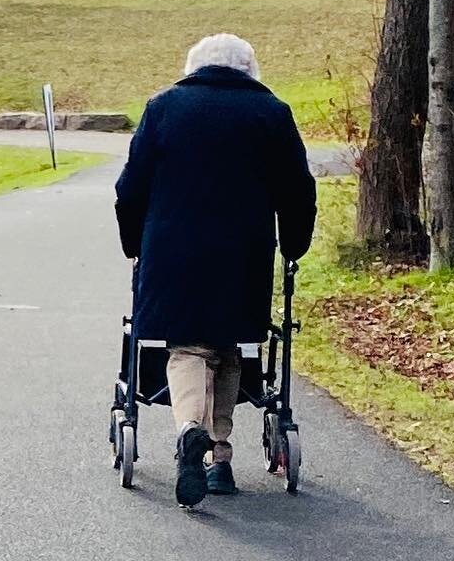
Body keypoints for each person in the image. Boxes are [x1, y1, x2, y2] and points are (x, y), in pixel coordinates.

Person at [114, 32, 317, 508]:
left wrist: (133, 244)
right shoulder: (272, 114)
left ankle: (190, 430)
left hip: (171, 253)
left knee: (187, 346)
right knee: (227, 344)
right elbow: (298, 192)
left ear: (193, 67)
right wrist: (294, 246)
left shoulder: (163, 108)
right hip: (242, 252)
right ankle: (219, 458)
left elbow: (130, 188)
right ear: (249, 70)